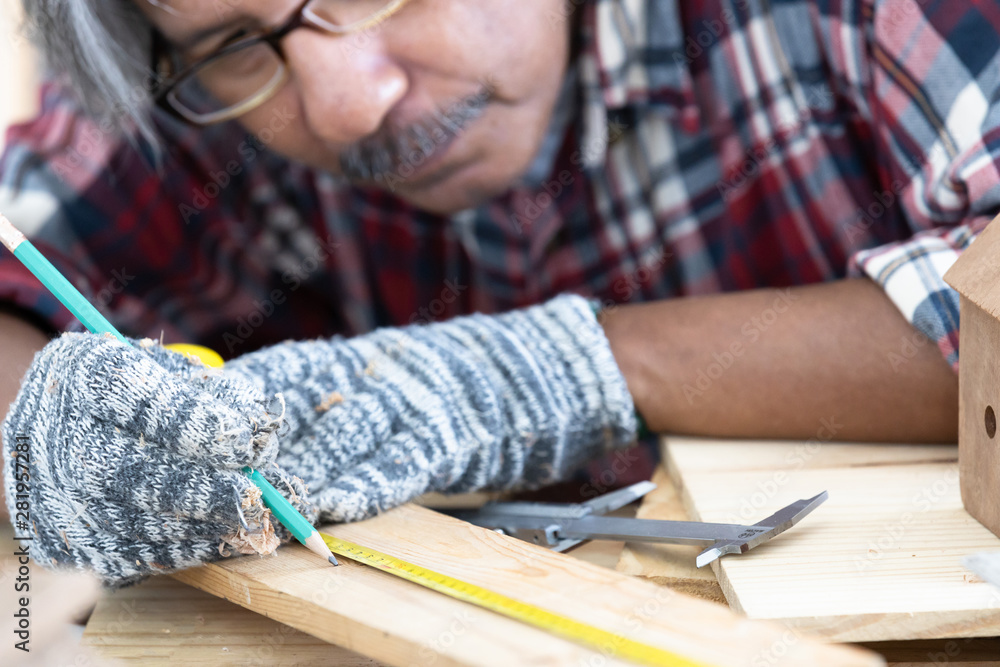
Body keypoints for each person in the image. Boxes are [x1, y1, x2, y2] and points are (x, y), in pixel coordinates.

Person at [0, 0, 986, 586]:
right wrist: (44, 421)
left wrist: (556, 372)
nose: (346, 102)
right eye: (235, 43)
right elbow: (21, 273)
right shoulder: (203, 84)